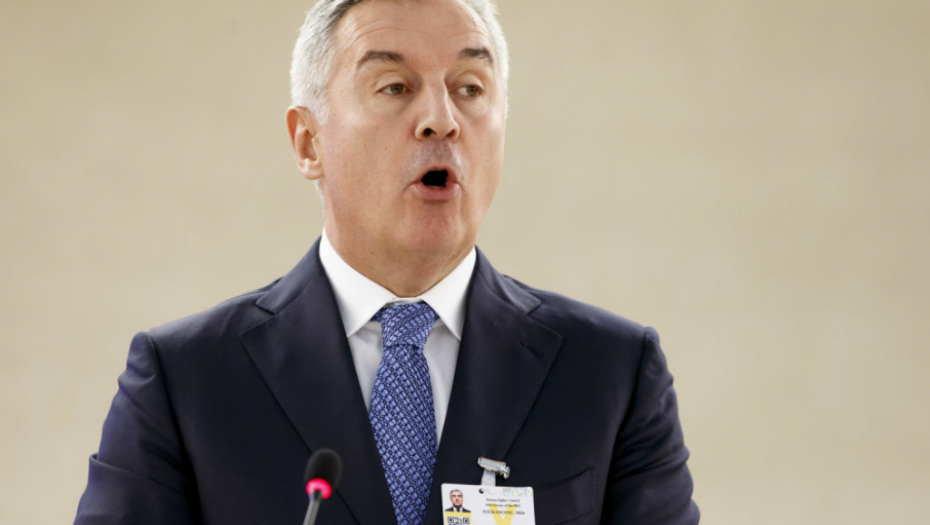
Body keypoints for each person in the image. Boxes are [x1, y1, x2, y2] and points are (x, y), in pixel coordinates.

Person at [74, 0, 699, 524]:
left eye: (470, 89)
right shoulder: (187, 381)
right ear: (309, 142)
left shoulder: (610, 373)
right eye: (395, 87)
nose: (441, 121)